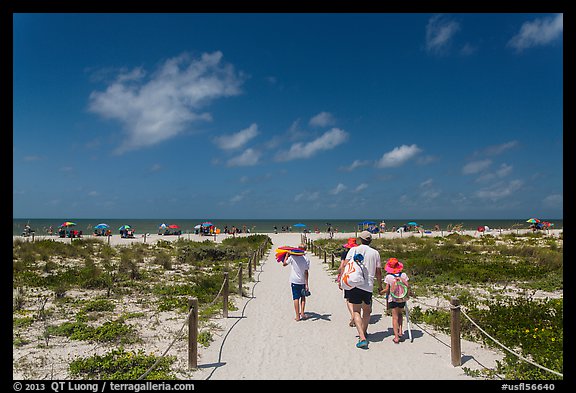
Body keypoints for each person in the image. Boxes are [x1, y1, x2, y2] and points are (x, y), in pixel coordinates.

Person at [343, 230, 383, 349]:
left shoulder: (353, 249)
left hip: (355, 283)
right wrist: (380, 285)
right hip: (368, 285)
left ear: (360, 239)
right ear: (370, 240)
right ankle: (364, 332)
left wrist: (341, 279)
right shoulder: (375, 253)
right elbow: (378, 272)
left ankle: (362, 336)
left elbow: (345, 265)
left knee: (356, 311)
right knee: (367, 311)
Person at [381, 257, 410, 344]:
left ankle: (396, 337)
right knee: (400, 314)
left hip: (393, 299)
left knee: (395, 317)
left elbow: (387, 289)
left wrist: (381, 292)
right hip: (402, 298)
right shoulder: (404, 275)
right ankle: (400, 331)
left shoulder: (389, 277)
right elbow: (407, 286)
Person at [282, 243, 311, 321]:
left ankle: (297, 316)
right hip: (302, 281)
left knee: (296, 298)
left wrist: (287, 256)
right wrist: (307, 284)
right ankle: (302, 313)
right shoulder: (306, 259)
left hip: (294, 280)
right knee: (303, 297)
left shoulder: (293, 257)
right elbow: (306, 272)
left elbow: (284, 264)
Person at [337, 237, 358, 327]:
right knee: (356, 298)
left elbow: (342, 266)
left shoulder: (345, 253)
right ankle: (356, 315)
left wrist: (340, 278)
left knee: (348, 299)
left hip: (347, 277)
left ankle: (353, 315)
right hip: (357, 277)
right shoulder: (359, 252)